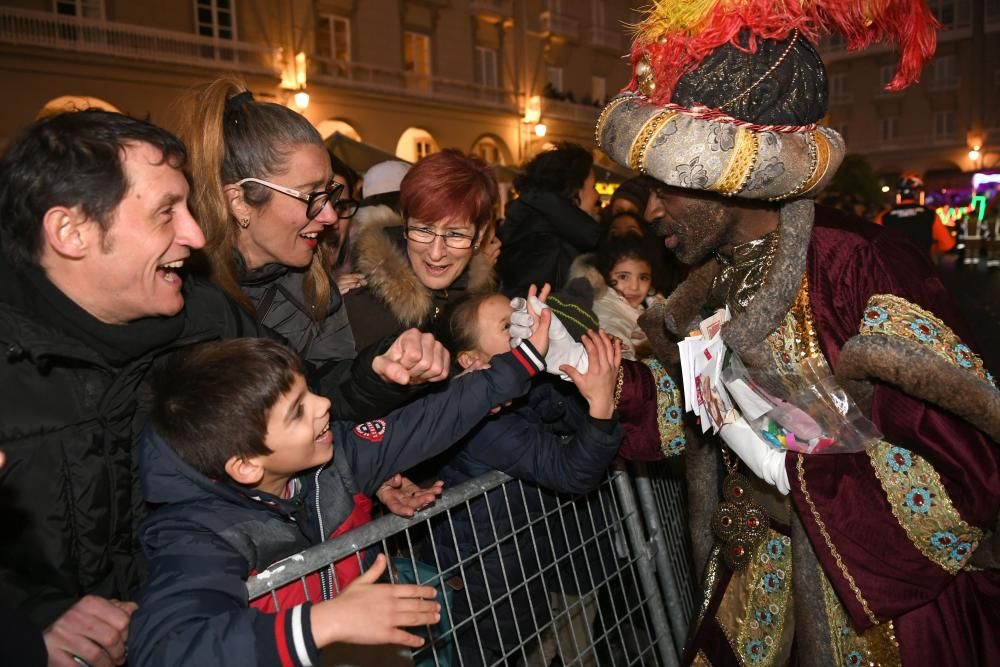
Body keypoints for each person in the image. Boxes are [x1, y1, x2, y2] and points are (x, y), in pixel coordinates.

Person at [597, 2, 999, 664]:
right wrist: (597, 379)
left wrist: (796, 481)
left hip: (874, 622)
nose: (649, 209)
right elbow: (699, 410)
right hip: (752, 598)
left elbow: (968, 465)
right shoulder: (713, 277)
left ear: (730, 177)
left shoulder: (857, 266)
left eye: (666, 187)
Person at [0, 109, 448, 667]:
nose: (193, 234)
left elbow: (293, 395)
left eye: (187, 207)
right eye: (167, 212)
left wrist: (377, 374)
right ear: (71, 231)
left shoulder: (206, 311)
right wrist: (27, 620)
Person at [128, 327, 551, 666]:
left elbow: (428, 420)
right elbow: (165, 649)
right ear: (247, 464)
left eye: (309, 390)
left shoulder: (336, 460)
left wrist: (520, 363)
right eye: (298, 411)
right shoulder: (197, 534)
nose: (324, 403)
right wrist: (321, 623)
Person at [424, 294, 623, 666]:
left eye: (519, 319)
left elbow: (566, 420)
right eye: (507, 327)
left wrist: (563, 368)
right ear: (472, 361)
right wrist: (600, 407)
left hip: (517, 570)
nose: (522, 330)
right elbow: (571, 470)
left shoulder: (519, 392)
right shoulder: (482, 419)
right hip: (485, 589)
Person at [344, 149, 499, 350]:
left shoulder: (483, 298)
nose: (436, 253)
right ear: (405, 223)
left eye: (455, 234)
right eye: (423, 229)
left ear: (480, 234)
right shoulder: (360, 307)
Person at [497, 142, 603, 292]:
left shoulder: (533, 230)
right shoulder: (550, 247)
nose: (597, 195)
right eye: (593, 186)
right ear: (573, 191)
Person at [570, 234, 668, 361]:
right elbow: (614, 331)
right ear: (604, 275)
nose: (634, 287)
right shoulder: (605, 304)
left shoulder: (648, 302)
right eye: (623, 276)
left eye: (643, 278)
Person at [876, 173, 955, 260]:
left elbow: (874, 245)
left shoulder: (884, 217)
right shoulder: (930, 214)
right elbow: (948, 245)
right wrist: (932, 248)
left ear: (899, 193)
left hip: (894, 269)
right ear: (918, 193)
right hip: (922, 267)